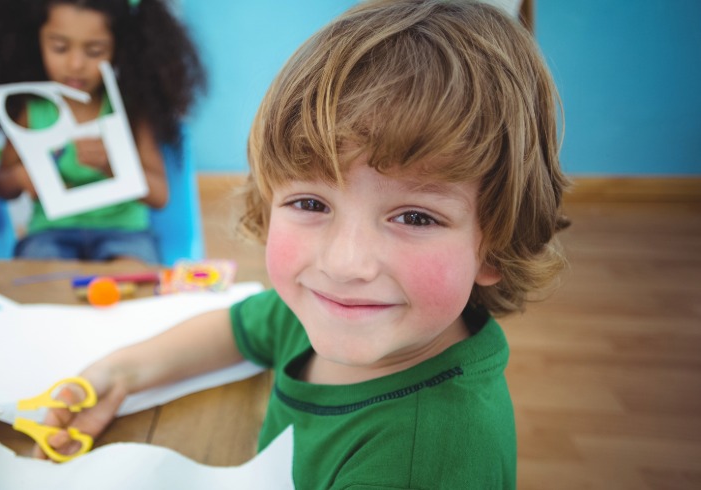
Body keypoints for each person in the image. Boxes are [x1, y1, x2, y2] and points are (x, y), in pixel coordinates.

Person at [34, 0, 570, 488]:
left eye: (415, 216)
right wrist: (120, 373)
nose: (344, 264)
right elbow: (241, 327)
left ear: (495, 246)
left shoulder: (423, 460)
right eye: (311, 205)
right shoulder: (321, 308)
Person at [0, 0, 205, 264]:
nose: (76, 64)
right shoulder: (31, 109)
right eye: (60, 47)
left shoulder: (131, 109)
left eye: (94, 51)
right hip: (50, 233)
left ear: (120, 49)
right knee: (45, 284)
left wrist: (114, 164)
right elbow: (3, 186)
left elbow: (159, 195)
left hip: (125, 233)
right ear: (35, 42)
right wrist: (21, 177)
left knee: (131, 280)